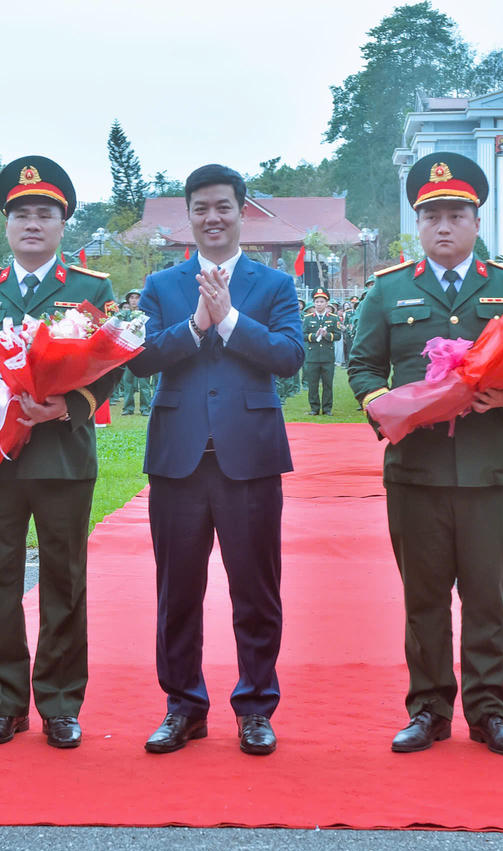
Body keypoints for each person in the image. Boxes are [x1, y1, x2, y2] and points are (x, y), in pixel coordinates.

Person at [348, 152, 503, 758]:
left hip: (490, 471)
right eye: (433, 216)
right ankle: (428, 710)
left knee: (488, 599)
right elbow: (363, 367)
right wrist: (388, 409)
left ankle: (489, 712)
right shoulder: (389, 289)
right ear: (419, 225)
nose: (445, 226)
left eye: (457, 215)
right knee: (424, 600)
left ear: (476, 222)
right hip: (418, 472)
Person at [0, 156, 119, 750]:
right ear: (7, 224)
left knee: (64, 582)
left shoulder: (90, 290)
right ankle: (4, 704)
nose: (32, 224)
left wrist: (69, 406)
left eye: (45, 214)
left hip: (62, 457)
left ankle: (61, 704)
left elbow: (113, 369)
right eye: (21, 215)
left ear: (63, 224)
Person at [129, 164, 304, 756]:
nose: (212, 217)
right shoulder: (162, 285)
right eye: (201, 207)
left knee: (256, 591)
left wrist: (227, 320)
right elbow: (141, 359)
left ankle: (255, 707)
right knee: (177, 592)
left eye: (223, 206)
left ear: (241, 211)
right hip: (178, 460)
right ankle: (183, 706)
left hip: (249, 458)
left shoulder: (274, 284)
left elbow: (289, 356)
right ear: (188, 215)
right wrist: (194, 324)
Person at [302, 288, 342, 415]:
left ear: (326, 303)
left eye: (321, 302)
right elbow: (303, 335)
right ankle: (314, 408)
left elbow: (338, 335)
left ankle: (327, 409)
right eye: (317, 302)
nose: (319, 304)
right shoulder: (308, 318)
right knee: (313, 385)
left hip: (327, 357)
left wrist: (327, 335)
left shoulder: (334, 318)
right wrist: (314, 336)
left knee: (327, 384)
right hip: (312, 357)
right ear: (314, 303)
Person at [118, 289, 152, 416]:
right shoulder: (124, 315)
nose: (134, 300)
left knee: (144, 383)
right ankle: (128, 408)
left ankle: (145, 408)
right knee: (128, 382)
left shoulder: (146, 315)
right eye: (131, 297)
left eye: (137, 297)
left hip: (143, 352)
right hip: (128, 352)